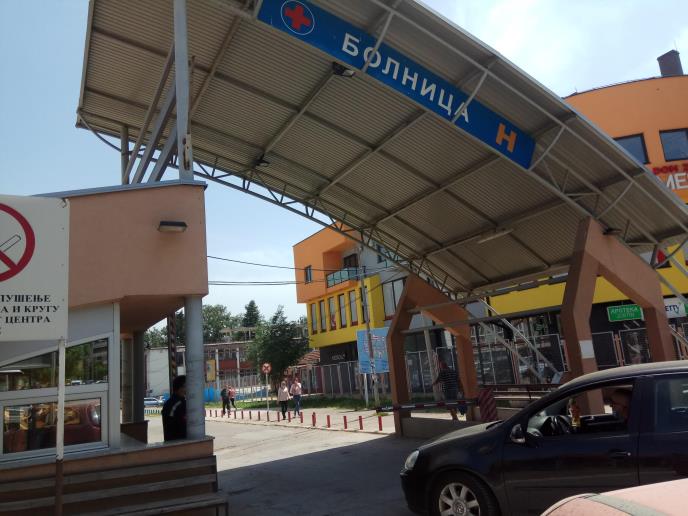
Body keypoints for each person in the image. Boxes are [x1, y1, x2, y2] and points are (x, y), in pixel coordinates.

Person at [162, 375, 187, 441]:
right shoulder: (178, 404)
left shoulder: (170, 402)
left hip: (173, 442)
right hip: (178, 442)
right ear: (180, 388)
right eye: (186, 386)